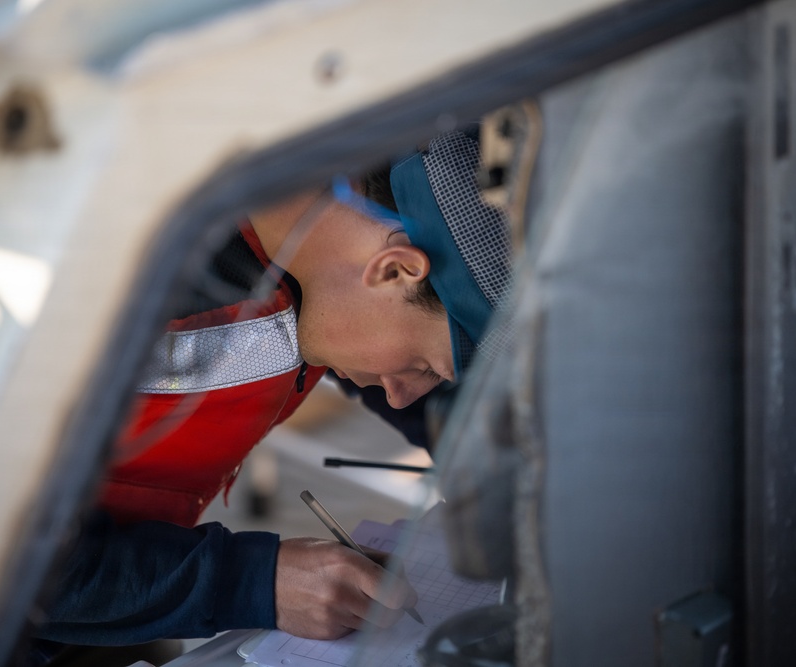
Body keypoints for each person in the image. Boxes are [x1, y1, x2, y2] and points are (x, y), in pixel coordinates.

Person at [27, 126, 513, 664]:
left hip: (115, 612)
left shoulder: (320, 252)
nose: (401, 396)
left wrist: (487, 456)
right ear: (394, 269)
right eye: (421, 366)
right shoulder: (122, 280)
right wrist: (255, 582)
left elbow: (391, 355)